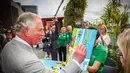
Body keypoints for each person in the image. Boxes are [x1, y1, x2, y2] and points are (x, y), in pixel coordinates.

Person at [1, 12, 86, 73]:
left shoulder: (8, 46)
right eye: (40, 30)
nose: (43, 34)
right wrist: (76, 61)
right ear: (26, 31)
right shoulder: (28, 62)